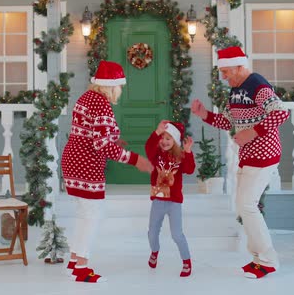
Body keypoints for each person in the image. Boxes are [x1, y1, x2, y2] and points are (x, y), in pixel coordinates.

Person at [191, 46, 289, 279]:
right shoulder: (235, 90)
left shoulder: (257, 84)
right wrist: (204, 114)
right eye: (221, 72)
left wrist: (252, 132)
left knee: (247, 205)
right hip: (248, 155)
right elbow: (227, 122)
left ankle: (268, 259)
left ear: (239, 66)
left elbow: (280, 113)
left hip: (264, 154)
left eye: (226, 71)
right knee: (244, 206)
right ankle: (258, 259)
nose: (224, 76)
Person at [61, 60, 153, 283]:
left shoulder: (86, 98)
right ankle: (82, 267)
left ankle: (74, 260)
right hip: (86, 165)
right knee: (92, 215)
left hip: (73, 161)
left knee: (85, 213)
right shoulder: (101, 104)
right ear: (112, 86)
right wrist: (136, 160)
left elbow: (92, 133)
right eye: (120, 87)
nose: (120, 92)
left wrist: (114, 140)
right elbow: (100, 145)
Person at [145, 120, 195, 277]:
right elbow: (148, 148)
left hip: (174, 202)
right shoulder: (156, 155)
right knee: (152, 232)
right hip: (158, 200)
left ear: (175, 141)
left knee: (177, 234)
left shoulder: (180, 156)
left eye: (169, 138)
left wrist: (187, 152)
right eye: (163, 138)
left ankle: (186, 261)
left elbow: (189, 169)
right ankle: (154, 252)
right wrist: (156, 133)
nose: (164, 141)